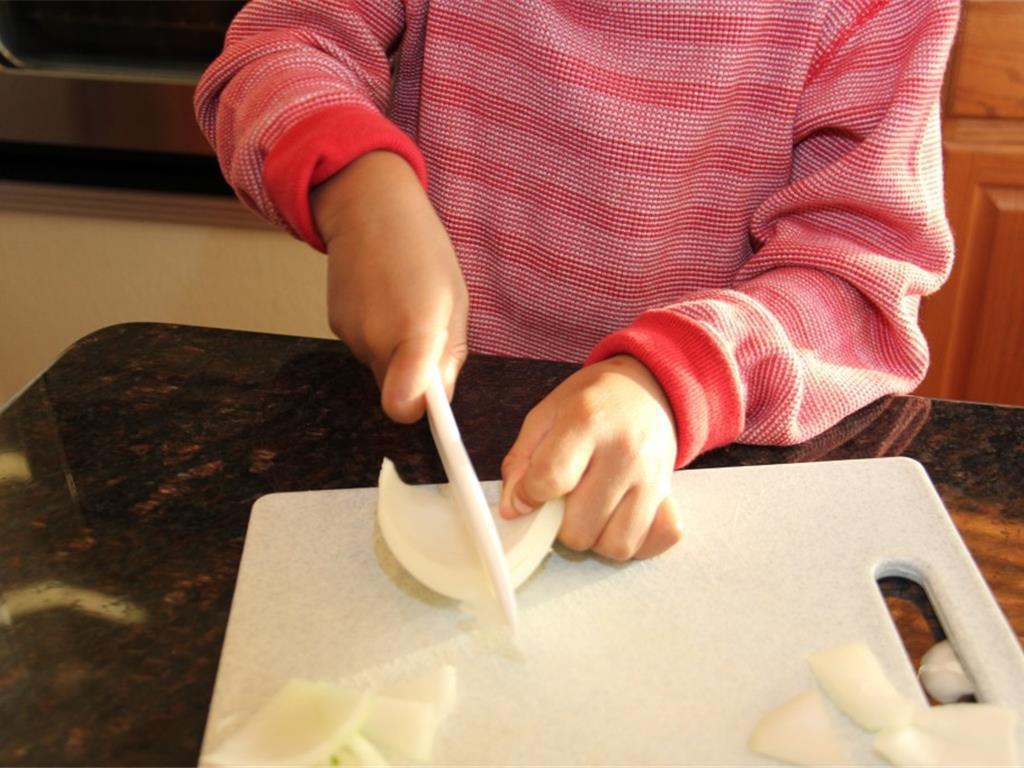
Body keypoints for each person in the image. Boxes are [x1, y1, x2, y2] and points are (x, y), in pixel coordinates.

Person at [195, 1, 960, 562]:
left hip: (708, 469)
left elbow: (856, 280)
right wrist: (359, 191)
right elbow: (284, 44)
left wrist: (673, 378)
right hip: (448, 437)